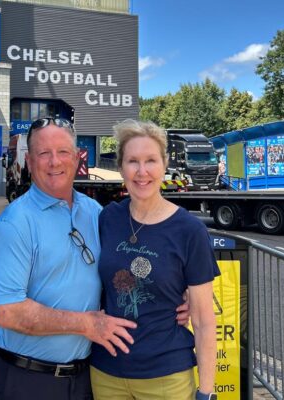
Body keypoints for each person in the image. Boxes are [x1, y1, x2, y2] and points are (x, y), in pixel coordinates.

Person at [0, 118, 190, 400]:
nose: (54, 162)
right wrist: (87, 324)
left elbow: (124, 266)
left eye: (63, 152)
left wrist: (177, 295)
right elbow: (9, 312)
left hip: (85, 380)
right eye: (44, 153)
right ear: (29, 161)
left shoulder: (93, 212)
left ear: (77, 157)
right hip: (28, 381)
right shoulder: (14, 225)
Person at [89, 119, 219, 400]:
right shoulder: (107, 218)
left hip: (166, 377)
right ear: (121, 167)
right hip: (106, 372)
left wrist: (206, 392)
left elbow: (204, 319)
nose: (142, 171)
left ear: (165, 164)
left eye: (151, 160)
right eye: (132, 161)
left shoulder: (189, 230)